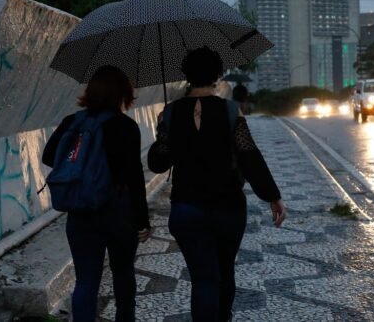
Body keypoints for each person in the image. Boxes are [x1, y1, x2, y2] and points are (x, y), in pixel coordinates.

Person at [148, 46, 286, 322]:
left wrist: (163, 129)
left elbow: (157, 164)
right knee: (224, 271)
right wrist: (272, 196)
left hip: (186, 209)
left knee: (203, 279)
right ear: (216, 75)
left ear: (187, 75)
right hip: (228, 209)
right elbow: (249, 157)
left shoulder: (172, 113)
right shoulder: (231, 111)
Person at [42, 65, 151, 322]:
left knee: (86, 280)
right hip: (118, 212)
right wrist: (142, 220)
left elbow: (49, 157)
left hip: (81, 211)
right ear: (122, 94)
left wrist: (79, 164)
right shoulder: (125, 126)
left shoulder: (73, 122)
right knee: (123, 273)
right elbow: (135, 177)